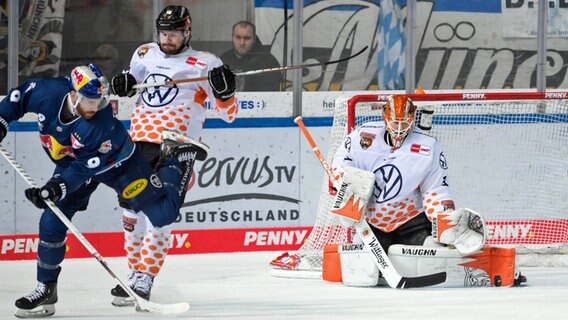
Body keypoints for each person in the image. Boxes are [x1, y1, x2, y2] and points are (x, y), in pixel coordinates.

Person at [0, 63, 207, 318]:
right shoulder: (48, 92)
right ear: (73, 93)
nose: (94, 107)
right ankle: (46, 289)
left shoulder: (100, 125)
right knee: (52, 220)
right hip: (74, 164)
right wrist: (1, 120)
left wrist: (55, 188)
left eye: (99, 101)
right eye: (89, 101)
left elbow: (84, 169)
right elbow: (17, 98)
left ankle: (176, 157)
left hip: (120, 164)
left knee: (163, 215)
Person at [107, 5, 237, 306]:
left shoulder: (206, 64)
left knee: (159, 215)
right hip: (137, 145)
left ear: (187, 32)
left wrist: (226, 93)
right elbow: (130, 85)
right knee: (131, 215)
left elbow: (228, 115)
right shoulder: (143, 53)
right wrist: (121, 84)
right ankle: (133, 275)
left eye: (174, 33)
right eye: (164, 33)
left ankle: (145, 278)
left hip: (177, 148)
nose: (168, 38)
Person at [330, 94, 455, 252]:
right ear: (385, 117)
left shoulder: (428, 146)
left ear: (412, 119)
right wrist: (345, 184)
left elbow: (436, 190)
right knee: (360, 253)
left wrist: (444, 221)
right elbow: (342, 160)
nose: (399, 129)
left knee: (433, 248)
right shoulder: (363, 136)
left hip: (410, 219)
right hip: (373, 221)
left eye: (405, 123)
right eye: (395, 122)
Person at [220, 20, 282, 91]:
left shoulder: (268, 61)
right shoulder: (225, 59)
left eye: (247, 38)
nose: (242, 43)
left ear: (254, 39)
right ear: (232, 37)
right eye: (238, 37)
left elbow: (269, 94)